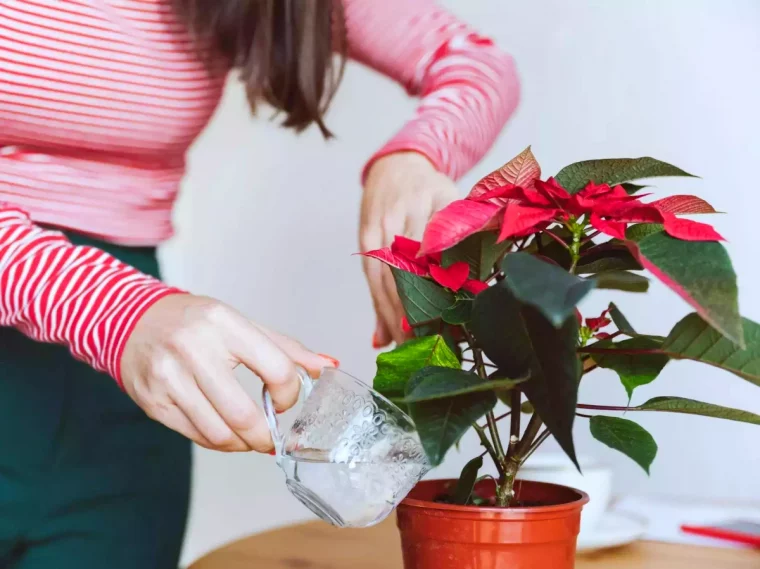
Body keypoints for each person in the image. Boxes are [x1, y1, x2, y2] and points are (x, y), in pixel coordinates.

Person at [0, 0, 519, 566]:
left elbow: (476, 62)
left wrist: (415, 157)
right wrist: (112, 309)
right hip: (122, 320)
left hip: (123, 397)